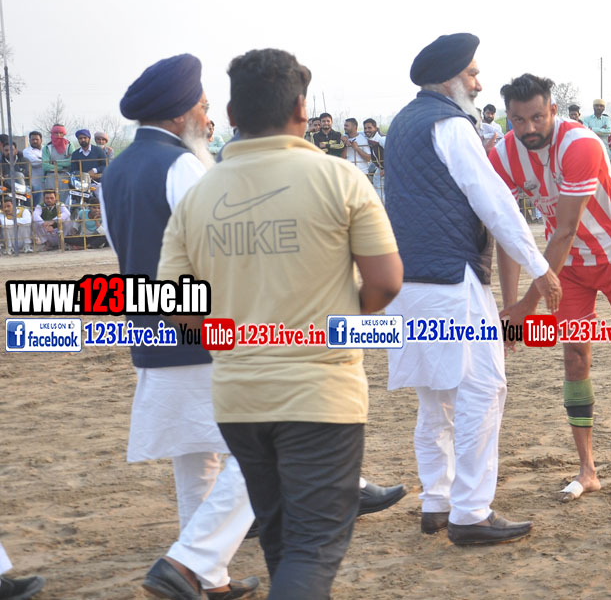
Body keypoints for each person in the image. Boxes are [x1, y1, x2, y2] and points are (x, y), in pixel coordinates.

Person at [158, 48, 405, 598]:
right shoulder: (339, 178)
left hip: (239, 397)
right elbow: (387, 282)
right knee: (313, 550)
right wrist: (340, 316)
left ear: (230, 113)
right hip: (321, 393)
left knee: (281, 541)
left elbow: (175, 306)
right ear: (301, 108)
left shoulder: (199, 194)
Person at [385, 34, 560, 546]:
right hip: (449, 280)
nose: (479, 84)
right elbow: (492, 200)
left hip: (407, 282)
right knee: (483, 388)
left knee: (435, 397)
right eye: (472, 74)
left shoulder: (402, 125)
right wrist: (538, 265)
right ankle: (470, 512)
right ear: (449, 79)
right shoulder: (450, 124)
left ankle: (437, 501)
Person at [99, 54, 260, 600]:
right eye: (204, 106)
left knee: (198, 459)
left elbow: (124, 254)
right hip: (203, 331)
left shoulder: (114, 171)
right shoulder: (183, 166)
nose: (208, 117)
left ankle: (210, 578)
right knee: (267, 449)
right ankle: (190, 562)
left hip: (150, 329)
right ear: (181, 113)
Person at [489, 73, 611, 502]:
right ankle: (588, 469)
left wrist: (527, 305)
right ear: (507, 118)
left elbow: (565, 228)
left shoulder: (580, 145)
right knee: (575, 356)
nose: (528, 128)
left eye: (537, 117)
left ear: (553, 110)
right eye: (518, 120)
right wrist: (511, 307)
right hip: (567, 268)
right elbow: (506, 230)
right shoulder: (502, 155)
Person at [41, 124, 72, 194]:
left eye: (61, 133)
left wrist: (54, 162)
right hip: (51, 176)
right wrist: (62, 167)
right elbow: (45, 166)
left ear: (64, 134)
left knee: (66, 198)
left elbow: (70, 162)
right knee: (52, 198)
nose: (58, 135)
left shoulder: (69, 146)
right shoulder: (47, 148)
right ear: (52, 134)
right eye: (56, 133)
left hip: (66, 176)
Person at [21, 130, 44, 206]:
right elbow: (34, 162)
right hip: (34, 180)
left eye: (37, 139)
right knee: (37, 202)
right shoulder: (26, 151)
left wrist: (41, 159)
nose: (35, 141)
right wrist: (47, 160)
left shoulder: (46, 149)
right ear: (29, 140)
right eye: (32, 139)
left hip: (47, 178)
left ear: (41, 140)